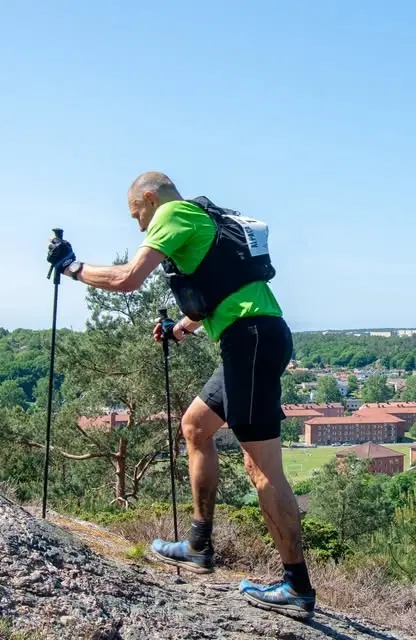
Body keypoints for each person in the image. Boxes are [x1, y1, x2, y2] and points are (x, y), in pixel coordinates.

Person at [45, 171, 316, 619]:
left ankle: (296, 586)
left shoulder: (172, 213)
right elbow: (224, 288)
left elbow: (128, 278)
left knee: (261, 467)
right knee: (195, 425)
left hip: (249, 340)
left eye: (137, 215)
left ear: (150, 199)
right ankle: (197, 543)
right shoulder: (203, 218)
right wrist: (180, 326)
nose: (139, 226)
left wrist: (73, 268)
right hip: (248, 337)